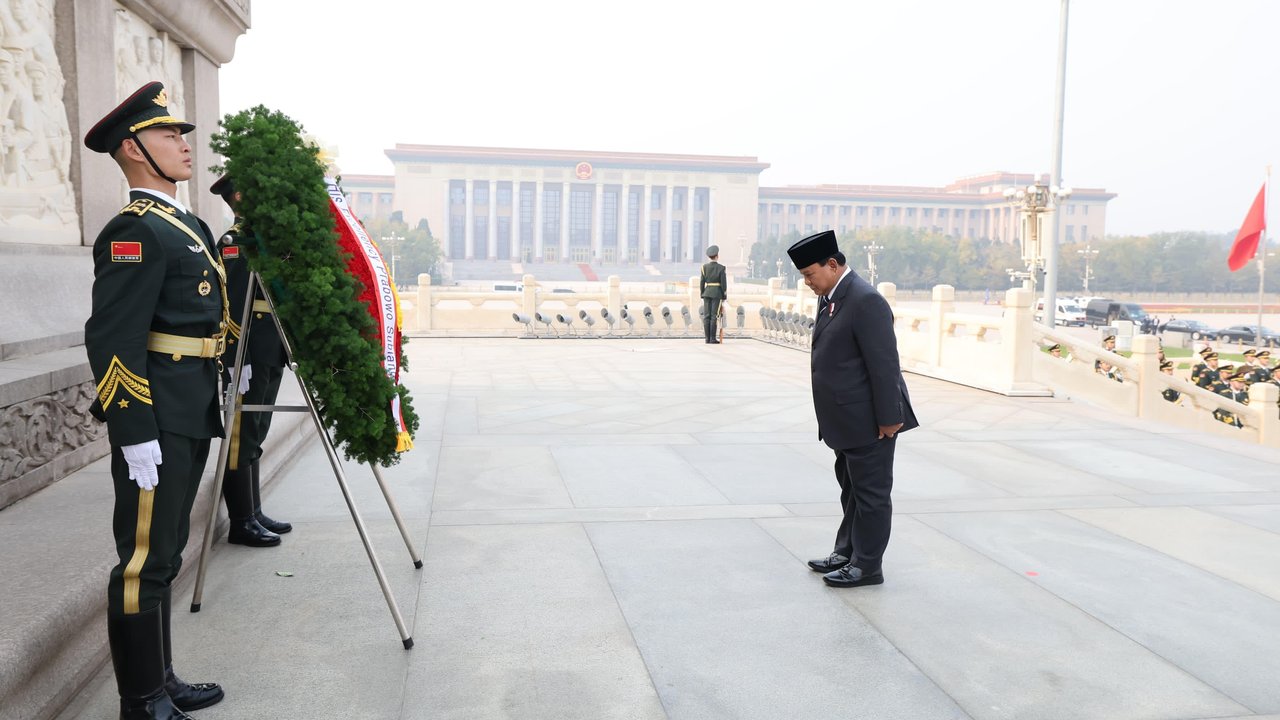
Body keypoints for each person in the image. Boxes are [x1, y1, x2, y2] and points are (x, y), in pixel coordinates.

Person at [83, 81, 226, 718]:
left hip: (189, 405)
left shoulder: (185, 224)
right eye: (170, 135)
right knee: (142, 559)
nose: (183, 143)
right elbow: (113, 337)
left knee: (164, 554)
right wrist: (132, 428)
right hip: (157, 415)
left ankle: (161, 680)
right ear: (135, 150)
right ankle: (139, 700)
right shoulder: (132, 232)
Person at [788, 230, 918, 588]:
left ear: (832, 264)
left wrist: (890, 417)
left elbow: (885, 365)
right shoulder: (831, 296)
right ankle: (846, 551)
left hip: (870, 421)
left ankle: (867, 565)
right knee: (851, 490)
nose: (808, 283)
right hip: (845, 421)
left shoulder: (865, 300)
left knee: (872, 496)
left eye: (810, 274)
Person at [212, 175, 292, 547]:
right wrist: (236, 358)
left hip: (267, 348)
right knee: (240, 435)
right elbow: (235, 307)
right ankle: (241, 521)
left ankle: (254, 511)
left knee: (256, 430)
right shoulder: (235, 242)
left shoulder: (261, 239)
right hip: (246, 352)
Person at [699, 244, 726, 344]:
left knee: (707, 316)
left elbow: (702, 282)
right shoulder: (721, 268)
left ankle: (707, 338)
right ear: (717, 256)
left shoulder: (704, 267)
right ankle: (712, 338)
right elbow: (723, 284)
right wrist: (724, 295)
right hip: (717, 293)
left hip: (707, 293)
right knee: (714, 316)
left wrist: (702, 293)